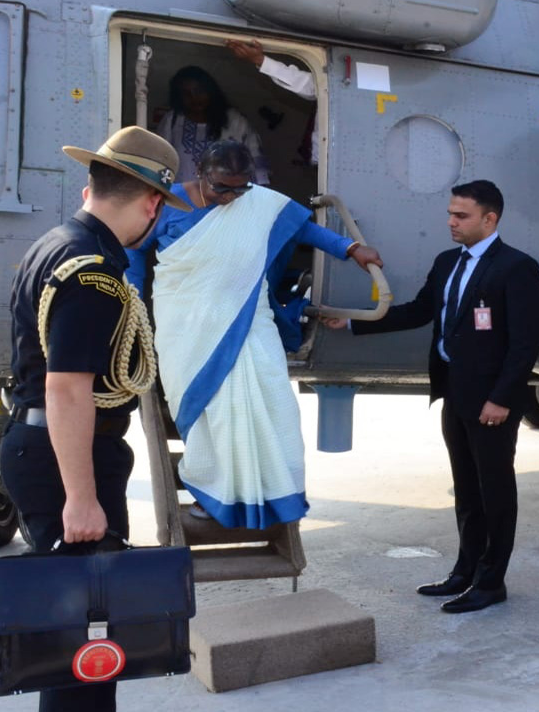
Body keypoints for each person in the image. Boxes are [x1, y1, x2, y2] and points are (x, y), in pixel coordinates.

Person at [0, 126, 182, 712]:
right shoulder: (93, 272)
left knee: (75, 637)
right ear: (152, 202)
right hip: (68, 461)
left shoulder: (54, 243)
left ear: (90, 187)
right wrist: (82, 497)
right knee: (84, 646)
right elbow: (69, 386)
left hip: (44, 447)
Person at [125, 139, 381, 529]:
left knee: (271, 399)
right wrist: (131, 299)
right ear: (200, 175)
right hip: (186, 326)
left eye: (239, 189)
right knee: (210, 411)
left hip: (250, 318)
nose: (230, 197)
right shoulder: (166, 203)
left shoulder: (259, 202)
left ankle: (271, 494)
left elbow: (305, 231)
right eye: (220, 188)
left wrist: (350, 248)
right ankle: (214, 495)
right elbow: (133, 251)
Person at [324, 180, 539, 614]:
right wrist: (354, 324)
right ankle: (464, 571)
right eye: (450, 213)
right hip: (454, 393)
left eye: (461, 216)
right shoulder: (448, 262)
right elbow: (419, 311)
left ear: (490, 219)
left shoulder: (516, 268)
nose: (451, 222)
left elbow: (526, 341)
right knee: (465, 489)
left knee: (494, 490)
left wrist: (501, 398)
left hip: (492, 402)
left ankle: (491, 581)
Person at [155, 65, 270, 185]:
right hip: (181, 198)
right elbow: (160, 161)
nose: (194, 97)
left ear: (210, 90)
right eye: (186, 93)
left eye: (199, 91)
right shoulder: (172, 120)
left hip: (228, 198)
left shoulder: (235, 121)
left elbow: (257, 165)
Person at [226, 38, 319, 164]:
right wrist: (259, 60)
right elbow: (309, 85)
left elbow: (309, 86)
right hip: (319, 164)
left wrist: (259, 60)